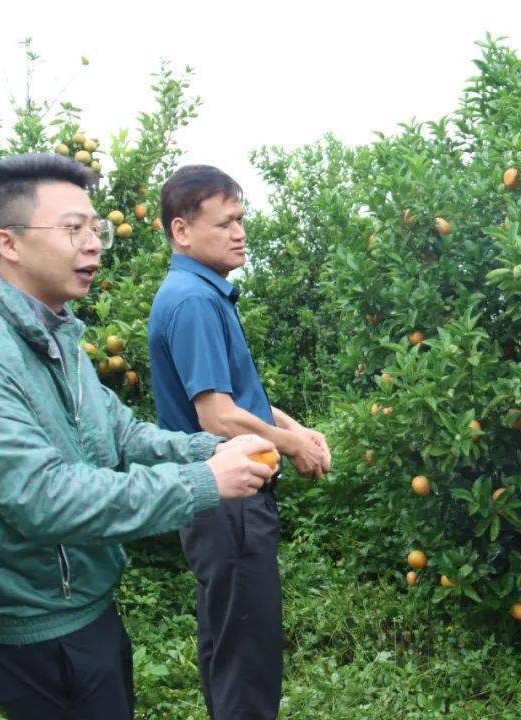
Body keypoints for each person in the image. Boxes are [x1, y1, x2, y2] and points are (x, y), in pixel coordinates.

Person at [0, 153, 277, 720]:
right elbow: (45, 499)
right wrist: (202, 481)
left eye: (94, 228)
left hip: (89, 606)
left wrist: (210, 448)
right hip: (36, 631)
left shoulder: (58, 334)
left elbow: (121, 433)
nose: (93, 243)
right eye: (72, 228)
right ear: (9, 242)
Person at [148, 165, 331, 719]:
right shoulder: (194, 302)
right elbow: (218, 418)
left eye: (241, 219)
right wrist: (290, 446)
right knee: (246, 660)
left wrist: (292, 427)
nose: (239, 232)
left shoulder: (200, 294)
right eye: (225, 222)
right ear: (182, 231)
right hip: (230, 502)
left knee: (231, 648)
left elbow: (239, 401)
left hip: (223, 503)